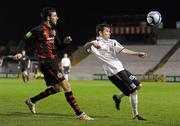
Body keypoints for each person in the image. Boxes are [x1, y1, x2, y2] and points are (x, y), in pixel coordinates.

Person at [14, 7, 93, 120]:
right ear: (48, 17)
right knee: (67, 86)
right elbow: (24, 39)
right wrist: (19, 52)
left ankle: (31, 101)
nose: (57, 18)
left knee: (57, 88)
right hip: (47, 63)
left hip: (53, 62)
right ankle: (79, 114)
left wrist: (65, 43)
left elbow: (58, 47)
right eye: (55, 16)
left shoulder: (54, 31)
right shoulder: (38, 30)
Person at [85, 23, 147, 120]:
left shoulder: (113, 42)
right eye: (107, 31)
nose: (109, 33)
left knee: (138, 85)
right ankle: (136, 115)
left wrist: (138, 53)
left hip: (121, 69)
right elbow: (85, 47)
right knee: (133, 90)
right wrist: (91, 43)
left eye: (109, 31)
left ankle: (118, 98)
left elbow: (124, 50)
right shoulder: (95, 43)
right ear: (100, 33)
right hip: (114, 73)